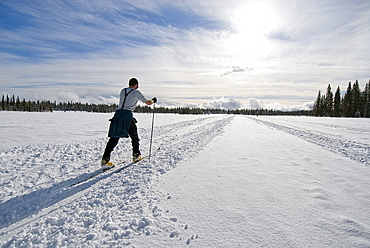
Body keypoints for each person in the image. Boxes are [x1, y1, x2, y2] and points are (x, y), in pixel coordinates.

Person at [101, 78, 157, 168]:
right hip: (127, 116)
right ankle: (136, 155)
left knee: (114, 137)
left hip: (118, 114)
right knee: (134, 136)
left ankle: (105, 159)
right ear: (136, 85)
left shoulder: (123, 91)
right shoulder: (136, 92)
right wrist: (153, 100)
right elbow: (148, 103)